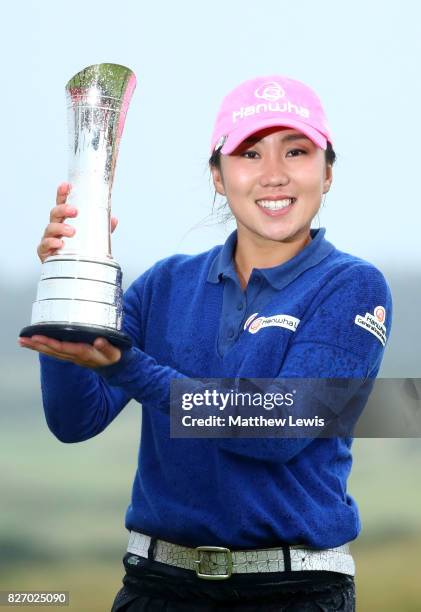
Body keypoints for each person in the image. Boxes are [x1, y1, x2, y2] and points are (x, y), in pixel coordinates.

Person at [19, 75, 392, 611]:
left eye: (296, 151)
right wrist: (67, 282)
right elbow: (75, 421)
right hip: (155, 586)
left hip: (292, 592)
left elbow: (278, 427)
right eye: (249, 153)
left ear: (327, 172)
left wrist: (129, 366)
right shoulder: (165, 284)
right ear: (218, 176)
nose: (274, 174)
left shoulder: (352, 287)